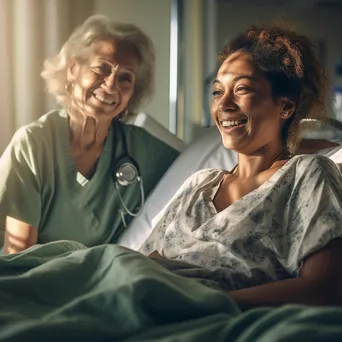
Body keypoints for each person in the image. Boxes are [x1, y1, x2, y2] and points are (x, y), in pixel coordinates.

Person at [140, 24, 342, 309]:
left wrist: (201, 305)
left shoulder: (307, 175)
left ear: (285, 107)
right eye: (217, 92)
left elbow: (324, 289)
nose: (223, 104)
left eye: (242, 89)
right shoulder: (199, 184)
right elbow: (141, 264)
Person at [0, 15, 179, 255]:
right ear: (73, 69)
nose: (111, 84)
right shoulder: (33, 144)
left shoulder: (140, 148)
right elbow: (19, 254)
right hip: (36, 280)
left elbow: (203, 175)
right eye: (102, 68)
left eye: (126, 77)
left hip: (102, 278)